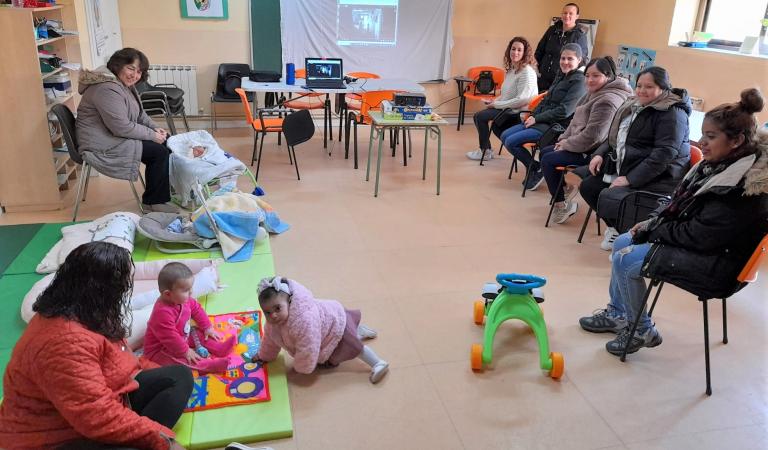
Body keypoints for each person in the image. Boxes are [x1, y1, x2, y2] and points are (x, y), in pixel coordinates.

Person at [579, 88, 768, 356]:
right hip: (703, 246)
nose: (701, 141)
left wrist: (653, 228)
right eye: (703, 134)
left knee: (626, 258)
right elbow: (676, 202)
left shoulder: (742, 187)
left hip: (718, 264)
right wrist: (650, 224)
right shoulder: (720, 164)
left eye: (710, 136)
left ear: (736, 141)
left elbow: (699, 235)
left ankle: (641, 329)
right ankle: (619, 313)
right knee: (622, 241)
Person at [0, 242, 192, 450]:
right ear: (102, 290)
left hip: (100, 405)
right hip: (56, 437)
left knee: (178, 377)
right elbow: (95, 416)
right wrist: (164, 440)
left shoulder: (88, 311)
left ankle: (137, 433)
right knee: (143, 441)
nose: (123, 295)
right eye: (121, 288)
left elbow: (123, 361)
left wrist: (150, 373)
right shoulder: (62, 342)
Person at [579, 66, 691, 251]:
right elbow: (615, 137)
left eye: (649, 86)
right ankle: (617, 228)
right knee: (589, 186)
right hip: (630, 166)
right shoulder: (635, 104)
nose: (641, 90)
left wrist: (631, 179)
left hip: (661, 177)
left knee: (609, 194)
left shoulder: (673, 113)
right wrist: (599, 153)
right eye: (639, 85)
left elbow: (664, 154)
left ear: (663, 88)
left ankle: (631, 239)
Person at [76, 47, 177, 213]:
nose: (135, 75)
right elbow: (121, 127)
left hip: (112, 136)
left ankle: (163, 190)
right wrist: (151, 135)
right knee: (158, 152)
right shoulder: (106, 88)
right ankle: (154, 201)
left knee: (168, 141)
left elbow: (139, 115)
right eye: (131, 68)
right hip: (103, 144)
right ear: (117, 65)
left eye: (139, 71)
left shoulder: (122, 84)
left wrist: (155, 128)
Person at [537, 56, 632, 224]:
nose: (589, 79)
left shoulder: (608, 100)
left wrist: (566, 144)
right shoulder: (594, 93)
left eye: (596, 75)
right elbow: (575, 122)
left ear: (608, 76)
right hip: (581, 144)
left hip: (596, 152)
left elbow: (594, 137)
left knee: (548, 159)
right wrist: (563, 139)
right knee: (545, 151)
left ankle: (561, 205)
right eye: (587, 75)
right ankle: (565, 188)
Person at [252, 276, 389, 384]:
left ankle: (378, 363)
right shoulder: (273, 324)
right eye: (267, 312)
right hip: (326, 320)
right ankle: (360, 331)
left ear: (289, 302)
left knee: (354, 347)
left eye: (277, 308)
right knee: (350, 340)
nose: (273, 315)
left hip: (336, 325)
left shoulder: (303, 321)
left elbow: (308, 348)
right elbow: (270, 341)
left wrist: (300, 368)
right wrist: (264, 356)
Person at [501, 43, 587, 190]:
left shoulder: (580, 82)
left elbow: (564, 111)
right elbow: (545, 100)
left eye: (570, 59)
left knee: (511, 141)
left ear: (579, 60)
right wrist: (532, 115)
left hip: (554, 126)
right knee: (505, 135)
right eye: (563, 58)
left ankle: (534, 168)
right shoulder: (561, 75)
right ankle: (535, 167)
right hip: (540, 120)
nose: (565, 62)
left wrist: (537, 118)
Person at [143, 262, 237, 374]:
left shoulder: (184, 299)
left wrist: (207, 327)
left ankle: (219, 348)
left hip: (182, 336)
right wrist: (186, 351)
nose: (191, 292)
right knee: (181, 361)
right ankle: (208, 365)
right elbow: (170, 338)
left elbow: (197, 309)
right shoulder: (162, 312)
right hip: (161, 349)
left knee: (200, 334)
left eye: (190, 288)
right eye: (186, 290)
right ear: (168, 294)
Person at [466, 36, 538, 161]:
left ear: (525, 53)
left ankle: (486, 151)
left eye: (519, 50)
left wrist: (496, 105)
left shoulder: (527, 72)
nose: (515, 52)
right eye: (513, 49)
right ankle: (497, 148)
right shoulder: (512, 70)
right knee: (495, 125)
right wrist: (495, 101)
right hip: (509, 108)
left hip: (518, 112)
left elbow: (522, 100)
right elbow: (506, 94)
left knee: (479, 116)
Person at [535, 3, 589, 92]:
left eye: (570, 13)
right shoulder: (552, 30)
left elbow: (582, 59)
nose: (567, 16)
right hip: (541, 77)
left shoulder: (580, 36)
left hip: (560, 81)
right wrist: (536, 68)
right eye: (565, 13)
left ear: (577, 16)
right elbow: (540, 50)